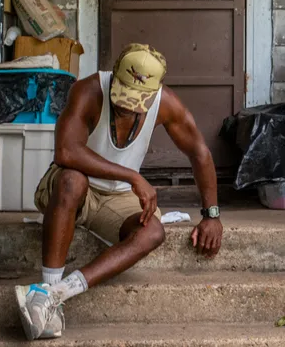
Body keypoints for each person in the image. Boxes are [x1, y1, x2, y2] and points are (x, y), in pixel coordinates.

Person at [15, 44, 223, 340]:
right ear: (113, 76)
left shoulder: (167, 104)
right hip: (71, 192)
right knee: (72, 180)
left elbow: (199, 153)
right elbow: (66, 151)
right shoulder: (88, 91)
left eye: (136, 100)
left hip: (117, 198)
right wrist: (132, 176)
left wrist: (211, 214)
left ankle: (54, 295)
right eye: (122, 95)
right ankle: (48, 284)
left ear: (154, 92)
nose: (126, 105)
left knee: (152, 231)